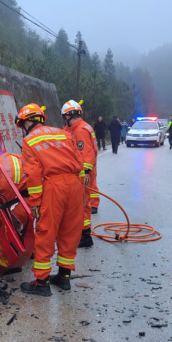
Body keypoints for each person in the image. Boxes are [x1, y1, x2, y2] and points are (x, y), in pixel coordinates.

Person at [14, 103, 84, 296]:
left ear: (28, 121)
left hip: (53, 188)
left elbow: (33, 174)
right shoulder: (63, 133)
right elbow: (79, 161)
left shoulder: (30, 141)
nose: (22, 129)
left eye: (22, 124)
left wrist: (35, 202)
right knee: (70, 231)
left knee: (46, 233)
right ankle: (64, 277)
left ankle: (42, 282)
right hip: (74, 185)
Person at [62, 100, 97, 248]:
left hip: (84, 173)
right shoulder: (74, 128)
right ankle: (80, 232)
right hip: (79, 172)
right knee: (78, 203)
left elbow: (86, 154)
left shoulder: (81, 130)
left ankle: (85, 236)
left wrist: (86, 173)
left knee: (82, 203)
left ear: (68, 116)